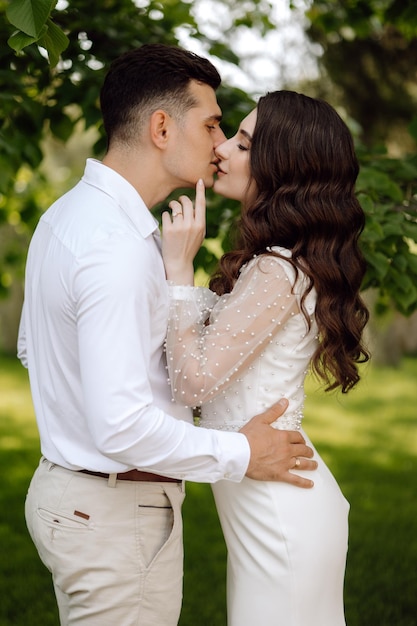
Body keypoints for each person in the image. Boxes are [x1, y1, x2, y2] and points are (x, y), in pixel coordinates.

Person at [17, 46, 317, 626]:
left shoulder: (66, 218)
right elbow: (122, 425)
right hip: (111, 512)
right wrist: (243, 452)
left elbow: (35, 350)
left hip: (85, 499)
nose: (219, 141)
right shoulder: (116, 251)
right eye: (210, 123)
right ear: (161, 127)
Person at [162, 90, 370, 625]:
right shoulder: (281, 263)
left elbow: (193, 383)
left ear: (283, 165)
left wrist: (179, 273)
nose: (222, 150)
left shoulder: (278, 269)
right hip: (272, 504)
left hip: (280, 515)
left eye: (244, 143)